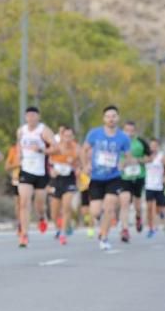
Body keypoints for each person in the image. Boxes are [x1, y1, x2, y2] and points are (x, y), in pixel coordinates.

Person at [80, 105, 132, 251]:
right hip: (96, 177)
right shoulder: (94, 134)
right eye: (108, 116)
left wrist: (123, 163)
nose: (111, 119)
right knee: (96, 212)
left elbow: (128, 156)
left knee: (110, 208)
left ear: (118, 118)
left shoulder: (123, 137)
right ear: (104, 119)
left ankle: (104, 237)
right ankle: (101, 225)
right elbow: (83, 150)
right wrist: (85, 165)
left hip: (114, 177)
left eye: (114, 116)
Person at [15, 106, 55, 248]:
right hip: (26, 170)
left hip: (41, 172)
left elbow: (55, 148)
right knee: (24, 202)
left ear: (38, 117)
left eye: (34, 116)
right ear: (26, 117)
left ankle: (41, 217)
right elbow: (18, 146)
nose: (31, 118)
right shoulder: (21, 131)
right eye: (29, 116)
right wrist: (18, 157)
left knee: (39, 205)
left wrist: (41, 150)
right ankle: (24, 234)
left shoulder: (44, 131)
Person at [118, 120, 149, 242]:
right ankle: (125, 229)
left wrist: (139, 160)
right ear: (123, 130)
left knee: (137, 204)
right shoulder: (118, 141)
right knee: (124, 202)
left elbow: (149, 157)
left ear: (134, 131)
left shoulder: (140, 142)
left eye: (131, 130)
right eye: (127, 130)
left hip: (138, 176)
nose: (129, 133)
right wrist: (121, 164)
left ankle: (138, 217)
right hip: (124, 177)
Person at [49, 126, 81, 245]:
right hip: (56, 180)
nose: (68, 139)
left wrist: (78, 168)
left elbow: (81, 162)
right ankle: (58, 228)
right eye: (65, 136)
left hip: (69, 179)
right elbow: (47, 161)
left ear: (73, 137)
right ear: (61, 136)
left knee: (66, 206)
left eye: (70, 136)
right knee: (54, 212)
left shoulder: (76, 148)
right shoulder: (55, 147)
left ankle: (63, 232)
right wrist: (51, 170)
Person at [142, 138, 165, 238]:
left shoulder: (162, 157)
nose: (153, 147)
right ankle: (151, 228)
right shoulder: (146, 157)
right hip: (149, 185)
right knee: (149, 208)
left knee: (157, 209)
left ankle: (160, 213)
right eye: (151, 145)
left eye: (155, 145)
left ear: (158, 146)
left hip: (159, 186)